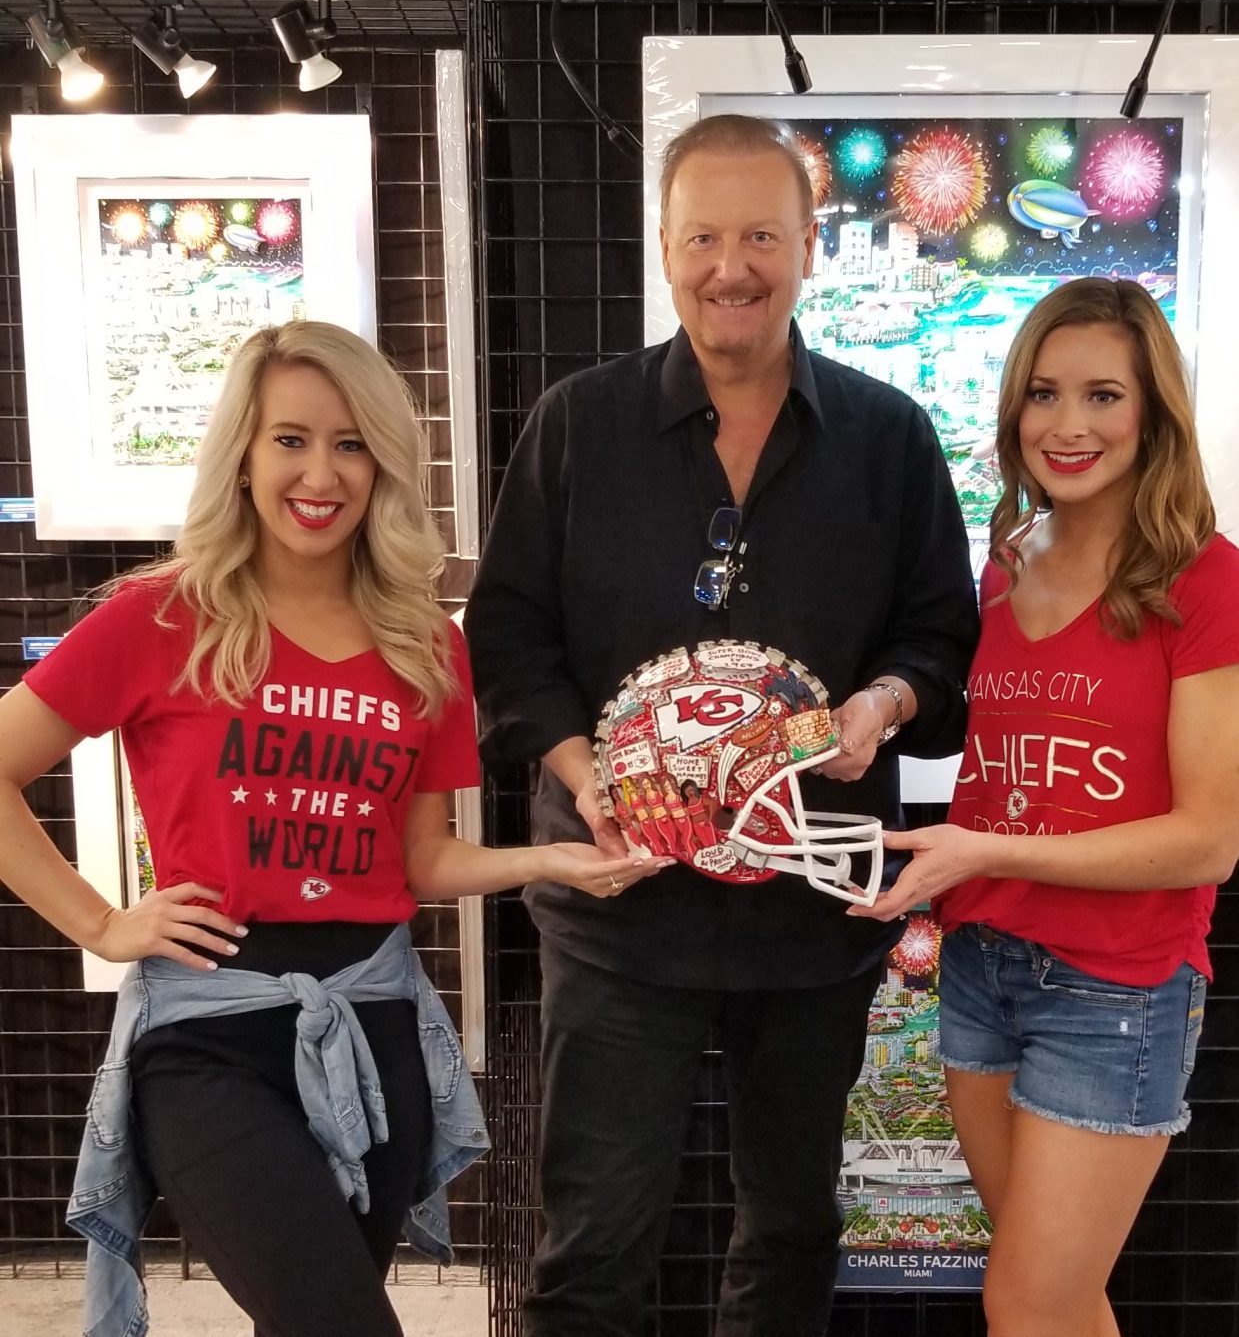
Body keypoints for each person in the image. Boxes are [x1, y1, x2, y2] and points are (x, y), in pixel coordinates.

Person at [0, 321, 645, 1337]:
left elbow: (420, 858)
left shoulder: (423, 639)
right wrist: (101, 923)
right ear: (244, 455)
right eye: (290, 438)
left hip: (374, 1024)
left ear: (383, 463)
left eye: (350, 443)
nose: (321, 471)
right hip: (208, 1035)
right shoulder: (162, 615)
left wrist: (553, 858)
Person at [463, 114, 979, 1337]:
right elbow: (509, 635)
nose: (731, 264)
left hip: (816, 910)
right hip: (619, 906)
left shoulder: (889, 437)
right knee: (592, 1245)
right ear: (664, 245)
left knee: (793, 1229)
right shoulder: (578, 426)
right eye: (704, 235)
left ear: (811, 243)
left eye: (761, 232)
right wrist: (591, 777)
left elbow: (940, 638)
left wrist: (881, 703)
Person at [849, 278, 1239, 1337]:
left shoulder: (1204, 580)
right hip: (984, 967)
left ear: (1153, 410)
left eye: (1104, 395)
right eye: (1045, 395)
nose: (1069, 426)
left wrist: (984, 844)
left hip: (1117, 987)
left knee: (1027, 1298)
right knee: (1054, 1298)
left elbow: (1209, 837)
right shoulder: (1005, 567)